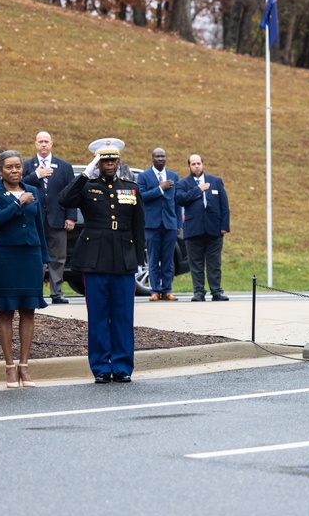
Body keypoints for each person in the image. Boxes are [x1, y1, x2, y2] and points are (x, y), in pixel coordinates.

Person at [59, 138, 145, 384]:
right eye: (104, 160)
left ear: (118, 162)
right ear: (98, 163)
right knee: (98, 316)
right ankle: (100, 367)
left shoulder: (131, 187)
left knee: (123, 316)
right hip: (94, 259)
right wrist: (85, 173)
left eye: (113, 160)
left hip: (123, 258)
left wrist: (138, 259)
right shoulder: (88, 186)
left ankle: (122, 366)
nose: (109, 164)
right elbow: (64, 200)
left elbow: (138, 226)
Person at [0, 150, 51, 387]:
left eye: (18, 166)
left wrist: (44, 259)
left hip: (30, 256)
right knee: (6, 310)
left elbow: (39, 227)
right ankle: (9, 367)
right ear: (0, 170)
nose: (15, 171)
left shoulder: (32, 191)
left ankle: (24, 366)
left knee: (29, 310)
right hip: (6, 256)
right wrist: (17, 201)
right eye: (9, 167)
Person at [23, 131, 75, 304]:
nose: (43, 144)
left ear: (51, 144)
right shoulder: (27, 166)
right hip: (34, 218)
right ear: (35, 144)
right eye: (40, 142)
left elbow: (71, 193)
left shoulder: (64, 166)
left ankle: (57, 292)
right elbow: (20, 185)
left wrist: (71, 217)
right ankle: (35, 291)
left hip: (58, 218)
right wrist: (37, 175)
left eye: (46, 141)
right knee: (34, 256)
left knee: (58, 257)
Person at [176, 154, 230, 302]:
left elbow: (224, 206)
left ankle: (216, 292)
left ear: (203, 164)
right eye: (193, 164)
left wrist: (224, 226)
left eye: (198, 163)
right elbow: (180, 199)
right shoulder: (183, 183)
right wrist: (198, 190)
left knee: (214, 263)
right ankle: (199, 292)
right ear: (189, 166)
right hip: (194, 230)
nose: (196, 166)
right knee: (196, 263)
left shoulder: (215, 181)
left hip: (214, 229)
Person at [137, 147, 179, 301]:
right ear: (152, 158)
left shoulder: (173, 176)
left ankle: (167, 290)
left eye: (163, 156)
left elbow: (177, 201)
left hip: (170, 224)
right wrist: (160, 189)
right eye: (157, 156)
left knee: (168, 259)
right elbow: (141, 197)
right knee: (153, 259)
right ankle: (155, 291)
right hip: (152, 224)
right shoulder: (144, 176)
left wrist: (178, 223)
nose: (160, 159)